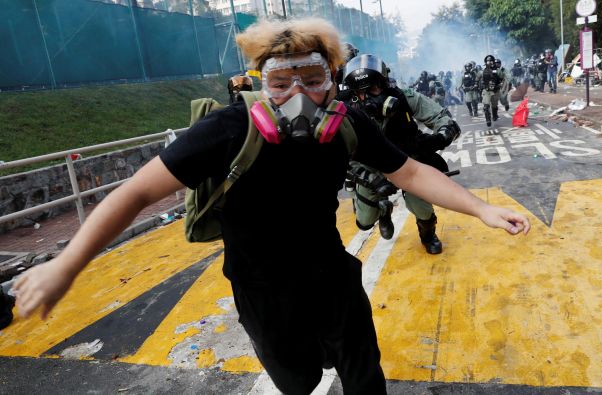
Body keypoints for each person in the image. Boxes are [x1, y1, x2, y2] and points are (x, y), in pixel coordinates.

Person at [13, 18, 530, 395]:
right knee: (298, 380)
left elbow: (412, 171)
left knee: (364, 374)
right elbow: (135, 193)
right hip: (260, 288)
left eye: (311, 80)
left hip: (331, 274)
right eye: (281, 83)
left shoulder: (347, 123)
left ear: (332, 79)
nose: (297, 96)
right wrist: (67, 264)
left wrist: (480, 210)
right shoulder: (228, 128)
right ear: (262, 82)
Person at [342, 53, 461, 254]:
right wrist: (369, 178)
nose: (368, 98)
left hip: (407, 163)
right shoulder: (346, 111)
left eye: (373, 89)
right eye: (361, 92)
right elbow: (341, 156)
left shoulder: (404, 97)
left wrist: (439, 138)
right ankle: (383, 210)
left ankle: (428, 235)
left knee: (422, 208)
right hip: (371, 169)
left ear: (385, 84)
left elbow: (442, 118)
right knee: (364, 222)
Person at [481, 54, 503, 127]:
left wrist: (501, 83)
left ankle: (495, 115)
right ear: (485, 62)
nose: (489, 62)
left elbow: (502, 78)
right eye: (488, 61)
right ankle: (488, 119)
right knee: (486, 106)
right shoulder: (482, 71)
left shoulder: (497, 70)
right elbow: (477, 79)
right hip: (486, 91)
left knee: (494, 106)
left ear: (493, 61)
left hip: (495, 90)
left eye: (491, 61)